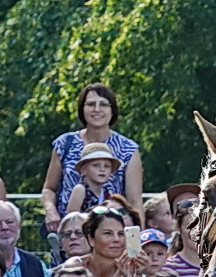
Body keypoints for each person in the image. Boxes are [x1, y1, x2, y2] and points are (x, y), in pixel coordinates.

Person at [42, 83, 142, 231]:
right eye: (90, 104)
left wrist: (138, 240)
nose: (97, 109)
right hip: (70, 234)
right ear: (82, 109)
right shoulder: (64, 144)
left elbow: (134, 202)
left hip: (111, 232)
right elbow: (49, 189)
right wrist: (50, 211)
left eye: (103, 104)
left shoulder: (128, 149)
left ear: (112, 110)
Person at [81, 206, 143, 277]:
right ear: (91, 239)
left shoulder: (132, 268)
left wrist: (147, 275)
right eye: (108, 233)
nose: (116, 239)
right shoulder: (79, 267)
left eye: (120, 234)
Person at [63, 142, 123, 213]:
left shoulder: (107, 193)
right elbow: (72, 219)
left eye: (107, 166)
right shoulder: (80, 189)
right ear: (84, 170)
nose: (102, 169)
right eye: (96, 165)